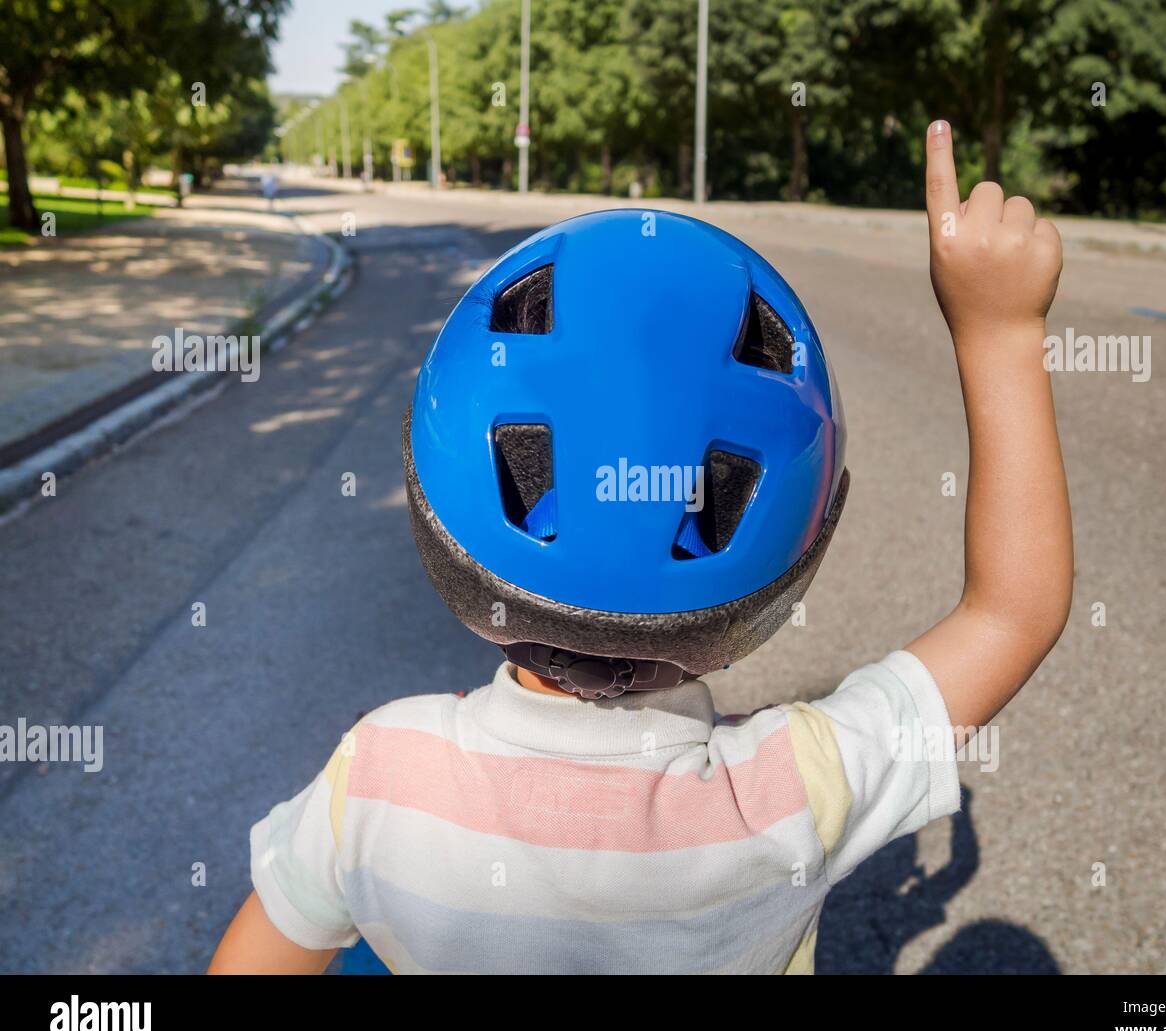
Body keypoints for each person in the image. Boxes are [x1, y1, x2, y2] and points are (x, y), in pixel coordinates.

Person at [210, 121, 1071, 975]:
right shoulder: (798, 793)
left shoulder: (377, 778)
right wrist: (998, 332)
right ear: (787, 558)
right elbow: (1013, 610)